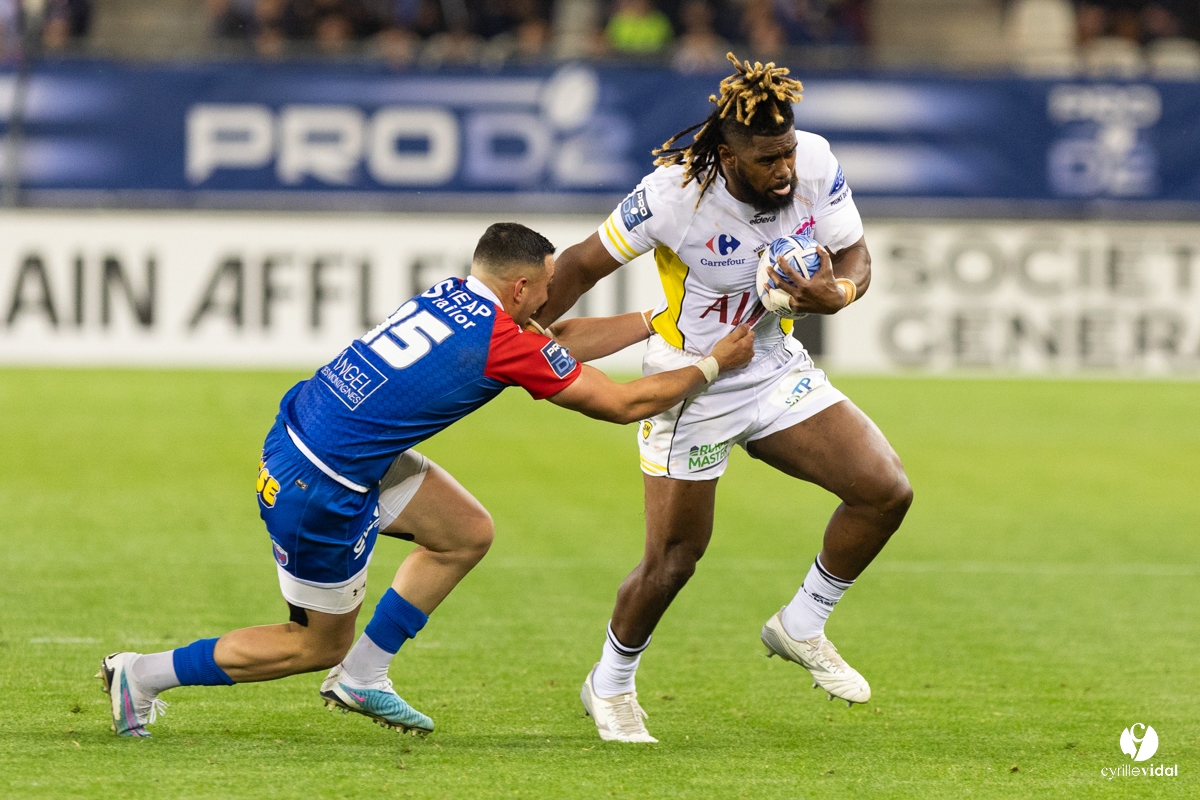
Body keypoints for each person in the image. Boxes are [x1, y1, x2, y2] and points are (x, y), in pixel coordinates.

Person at [97, 222, 754, 738]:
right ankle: (143, 675)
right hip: (321, 486)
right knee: (313, 642)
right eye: (547, 284)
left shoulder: (455, 296)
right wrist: (712, 364)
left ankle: (365, 675)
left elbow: (557, 339)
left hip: (326, 442)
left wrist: (662, 321)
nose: (552, 293)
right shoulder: (504, 339)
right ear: (520, 288)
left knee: (465, 532)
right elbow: (621, 404)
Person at [532, 54, 913, 743]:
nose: (784, 170)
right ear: (728, 155)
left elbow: (854, 255)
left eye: (788, 151)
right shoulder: (673, 196)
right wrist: (517, 332)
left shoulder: (818, 164)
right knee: (674, 560)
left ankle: (801, 624)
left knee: (884, 489)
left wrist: (840, 293)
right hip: (692, 382)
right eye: (767, 159)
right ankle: (610, 685)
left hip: (773, 366)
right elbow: (583, 263)